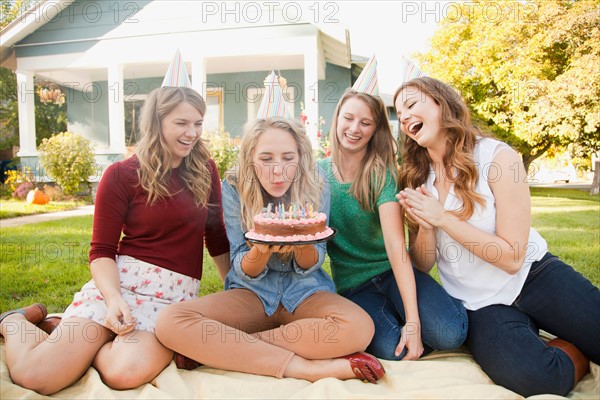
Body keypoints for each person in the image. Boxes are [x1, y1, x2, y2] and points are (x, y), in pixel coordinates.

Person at [0, 86, 230, 395]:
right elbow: (102, 251)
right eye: (181, 123)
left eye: (198, 123)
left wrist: (234, 291)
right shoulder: (121, 175)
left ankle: (70, 333)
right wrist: (113, 299)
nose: (192, 132)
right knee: (37, 377)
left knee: (125, 372)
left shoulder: (205, 170)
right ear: (157, 122)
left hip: (171, 300)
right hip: (118, 288)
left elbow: (216, 237)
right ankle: (13, 322)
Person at [394, 76, 600, 397]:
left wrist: (442, 218)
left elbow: (512, 258)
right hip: (482, 305)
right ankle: (574, 350)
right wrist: (427, 226)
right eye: (399, 113)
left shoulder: (499, 158)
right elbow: (422, 264)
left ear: (441, 103)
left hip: (534, 276)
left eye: (411, 105)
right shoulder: (417, 179)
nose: (404, 117)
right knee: (534, 378)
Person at [156, 116, 385, 383]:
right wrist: (260, 251)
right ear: (251, 158)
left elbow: (315, 258)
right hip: (252, 293)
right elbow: (241, 262)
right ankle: (306, 368)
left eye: (288, 158)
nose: (278, 170)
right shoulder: (234, 185)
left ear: (300, 158)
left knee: (359, 328)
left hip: (305, 291)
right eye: (266, 159)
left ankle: (233, 348)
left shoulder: (316, 181)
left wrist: (302, 241)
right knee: (171, 321)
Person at [319, 88, 468, 362]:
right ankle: (408, 324)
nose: (354, 128)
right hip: (355, 288)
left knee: (451, 333)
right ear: (336, 119)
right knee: (393, 351)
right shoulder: (317, 175)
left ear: (375, 130)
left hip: (392, 273)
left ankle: (427, 315)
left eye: (365, 123)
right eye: (348, 118)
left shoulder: (381, 172)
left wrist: (413, 321)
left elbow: (396, 248)